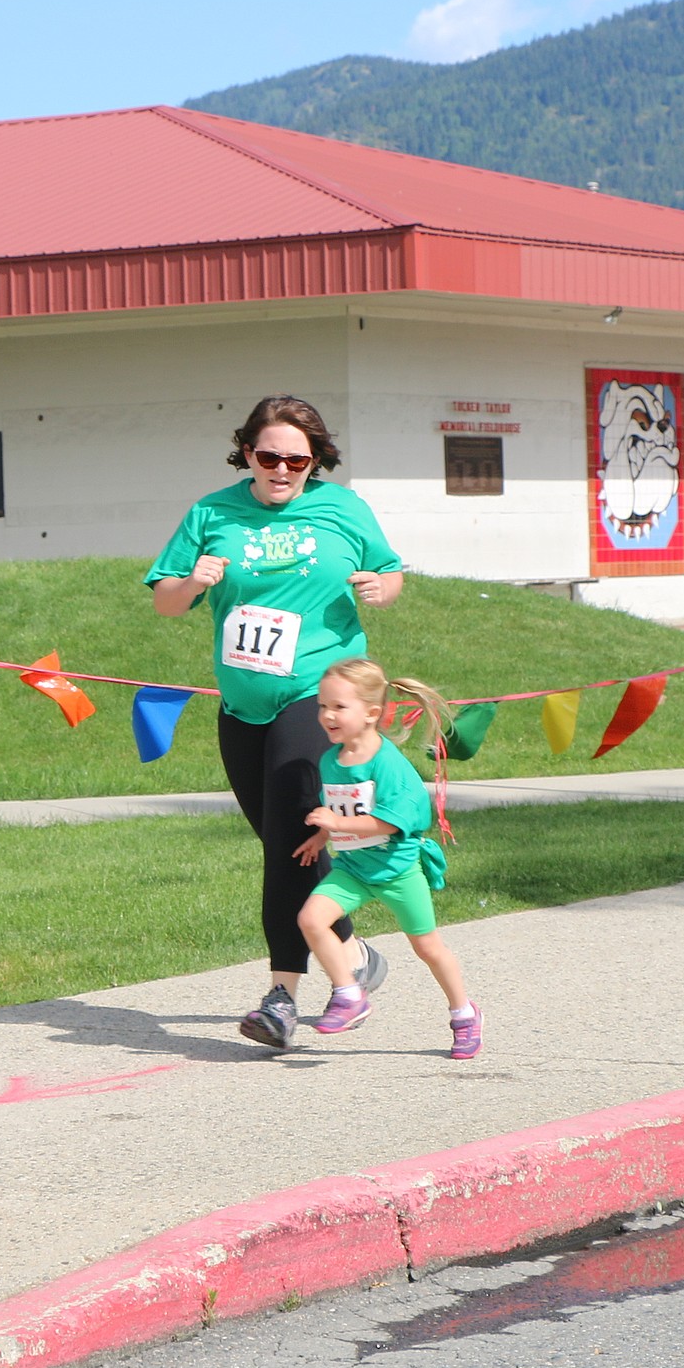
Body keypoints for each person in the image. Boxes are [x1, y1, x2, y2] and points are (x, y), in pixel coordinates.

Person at [145, 394, 404, 1050]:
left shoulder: (342, 508)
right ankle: (353, 952)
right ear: (248, 455)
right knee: (284, 845)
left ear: (316, 460)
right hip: (242, 705)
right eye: (270, 456)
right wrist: (193, 582)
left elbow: (390, 568)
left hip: (318, 693)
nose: (283, 469)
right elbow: (165, 602)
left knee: (289, 837)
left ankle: (283, 997)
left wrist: (382, 587)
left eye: (298, 458)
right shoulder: (213, 512)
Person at [294, 656, 483, 1060]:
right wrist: (322, 835)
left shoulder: (388, 764)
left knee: (428, 947)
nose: (327, 715)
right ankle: (349, 995)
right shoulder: (332, 760)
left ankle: (464, 1014)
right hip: (353, 869)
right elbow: (342, 806)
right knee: (310, 919)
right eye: (322, 706)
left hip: (397, 871)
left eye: (339, 707)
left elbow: (392, 822)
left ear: (372, 713)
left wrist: (335, 821)